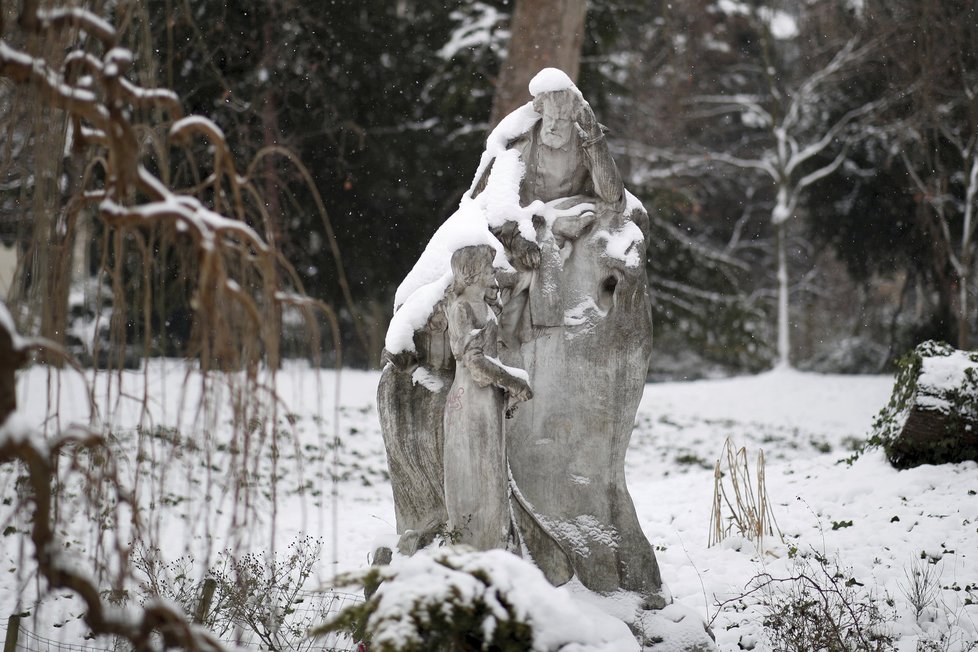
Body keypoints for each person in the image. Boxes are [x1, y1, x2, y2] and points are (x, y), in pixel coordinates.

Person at [442, 245, 532, 550]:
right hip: (469, 402)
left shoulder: (488, 308)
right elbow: (476, 364)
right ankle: (472, 547)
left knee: (491, 475)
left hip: (489, 400)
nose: (493, 274)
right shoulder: (461, 309)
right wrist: (512, 381)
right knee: (475, 475)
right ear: (473, 273)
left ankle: (495, 544)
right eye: (489, 269)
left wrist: (508, 390)